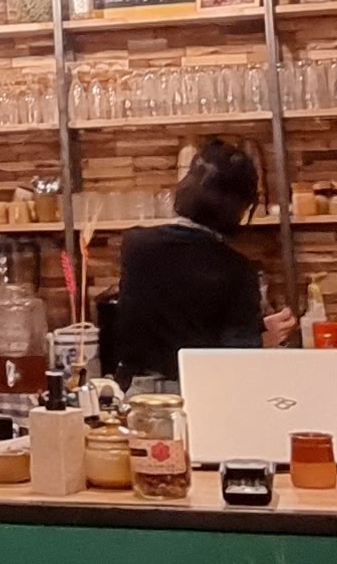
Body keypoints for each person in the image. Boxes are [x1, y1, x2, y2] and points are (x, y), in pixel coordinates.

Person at [98, 136, 284, 384]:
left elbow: (168, 316)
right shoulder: (236, 269)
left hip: (135, 392)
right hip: (200, 392)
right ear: (240, 209)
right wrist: (263, 338)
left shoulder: (135, 245)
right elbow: (236, 357)